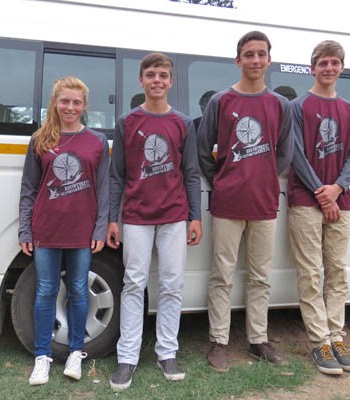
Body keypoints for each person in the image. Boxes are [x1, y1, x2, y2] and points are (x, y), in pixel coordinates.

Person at [197, 30, 293, 373]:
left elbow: (285, 153)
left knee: (259, 276)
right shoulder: (220, 102)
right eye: (249, 54)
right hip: (227, 203)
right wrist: (222, 180)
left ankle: (258, 339)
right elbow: (202, 148)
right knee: (221, 274)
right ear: (237, 60)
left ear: (269, 59)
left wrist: (264, 177)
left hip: (264, 203)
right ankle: (218, 342)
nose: (255, 60)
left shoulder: (280, 105)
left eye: (261, 54)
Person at [107, 52, 202, 391]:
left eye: (163, 75)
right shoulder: (128, 122)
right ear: (141, 80)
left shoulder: (182, 123)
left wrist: (195, 216)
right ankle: (127, 358)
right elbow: (117, 175)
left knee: (172, 285)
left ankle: (167, 352)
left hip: (175, 216)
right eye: (151, 75)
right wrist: (112, 219)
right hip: (135, 216)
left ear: (171, 82)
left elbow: (190, 173)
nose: (157, 80)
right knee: (134, 284)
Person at [18, 76, 109, 385]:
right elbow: (29, 189)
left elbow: (104, 189)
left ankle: (75, 352)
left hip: (82, 231)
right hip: (46, 229)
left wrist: (100, 228)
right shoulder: (40, 139)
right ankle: (42, 356)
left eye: (76, 102)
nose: (70, 107)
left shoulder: (96, 141)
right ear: (55, 103)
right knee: (45, 291)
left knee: (78, 290)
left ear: (84, 106)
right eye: (65, 101)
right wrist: (25, 231)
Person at [286, 40, 350, 375]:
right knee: (310, 273)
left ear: (342, 68)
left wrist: (337, 188)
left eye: (334, 63)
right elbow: (295, 153)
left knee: (337, 271)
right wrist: (323, 193)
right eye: (322, 63)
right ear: (312, 68)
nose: (328, 68)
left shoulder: (349, 109)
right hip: (306, 201)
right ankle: (320, 343)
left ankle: (336, 336)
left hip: (339, 201)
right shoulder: (298, 106)